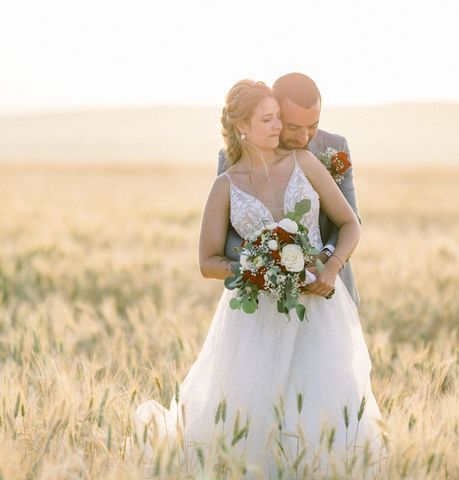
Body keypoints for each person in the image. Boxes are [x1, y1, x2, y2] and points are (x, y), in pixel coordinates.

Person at [134, 80, 381, 477]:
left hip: (317, 307)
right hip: (255, 316)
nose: (282, 129)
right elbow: (208, 260)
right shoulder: (226, 184)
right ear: (242, 127)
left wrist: (329, 269)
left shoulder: (307, 162)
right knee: (253, 410)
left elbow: (350, 222)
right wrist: (258, 268)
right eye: (271, 120)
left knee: (323, 402)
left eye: (279, 119)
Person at [218, 73, 361, 305]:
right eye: (293, 127)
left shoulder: (334, 147)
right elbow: (226, 235)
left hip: (327, 289)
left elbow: (351, 219)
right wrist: (271, 263)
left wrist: (326, 260)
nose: (304, 137)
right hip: (261, 298)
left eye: (313, 126)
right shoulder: (232, 160)